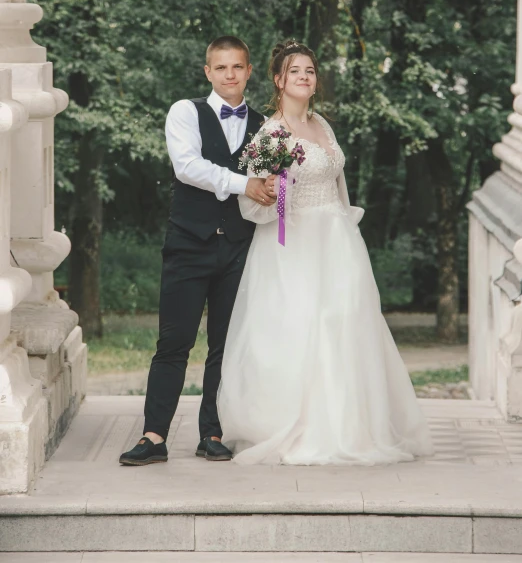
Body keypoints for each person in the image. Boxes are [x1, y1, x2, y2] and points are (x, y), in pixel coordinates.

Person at [217, 40, 434, 465]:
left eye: (310, 71)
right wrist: (275, 195)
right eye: (295, 71)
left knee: (348, 325)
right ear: (278, 81)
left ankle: (352, 424)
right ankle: (301, 427)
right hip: (293, 244)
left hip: (337, 239)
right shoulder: (271, 134)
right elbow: (253, 201)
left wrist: (345, 223)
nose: (304, 76)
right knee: (302, 327)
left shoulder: (322, 126)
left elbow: (338, 184)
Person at [120, 36, 273, 466]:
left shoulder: (265, 126)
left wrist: (278, 194)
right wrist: (246, 183)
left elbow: (276, 188)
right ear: (208, 72)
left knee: (225, 346)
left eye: (237, 67)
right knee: (174, 342)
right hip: (189, 244)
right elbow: (187, 167)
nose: (230, 75)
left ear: (248, 71)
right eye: (221, 68)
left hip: (242, 248)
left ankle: (214, 432)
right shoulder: (185, 112)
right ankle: (153, 437)